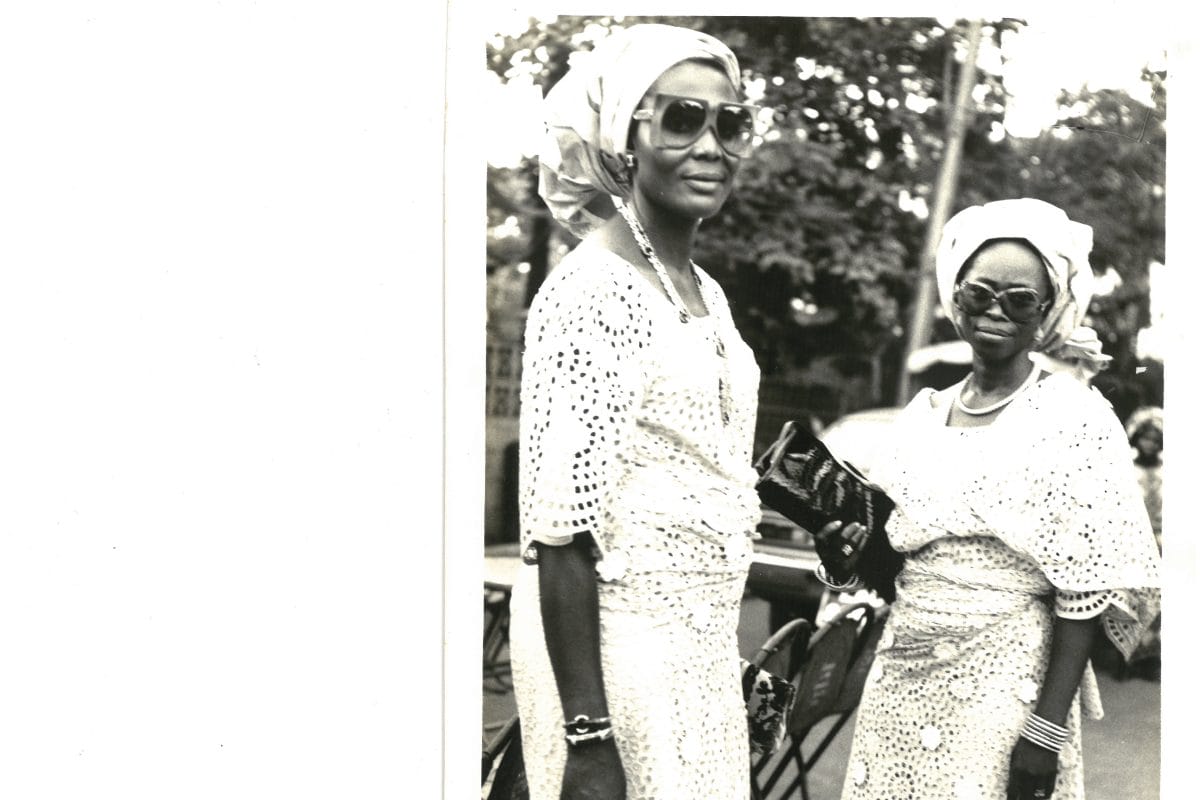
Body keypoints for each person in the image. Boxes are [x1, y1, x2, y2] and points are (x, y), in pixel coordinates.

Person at [814, 198, 1161, 800]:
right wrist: (843, 557)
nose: (996, 310)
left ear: (1047, 310)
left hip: (1006, 687)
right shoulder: (920, 417)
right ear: (957, 299)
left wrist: (1047, 731)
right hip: (901, 678)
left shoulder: (1073, 415)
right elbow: (888, 564)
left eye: (1021, 298)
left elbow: (1086, 587)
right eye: (980, 293)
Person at [507, 24, 764, 800]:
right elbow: (559, 531)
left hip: (701, 646)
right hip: (615, 655)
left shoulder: (706, 293)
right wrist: (590, 741)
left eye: (731, 123)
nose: (711, 145)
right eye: (683, 119)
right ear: (623, 139)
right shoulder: (594, 291)